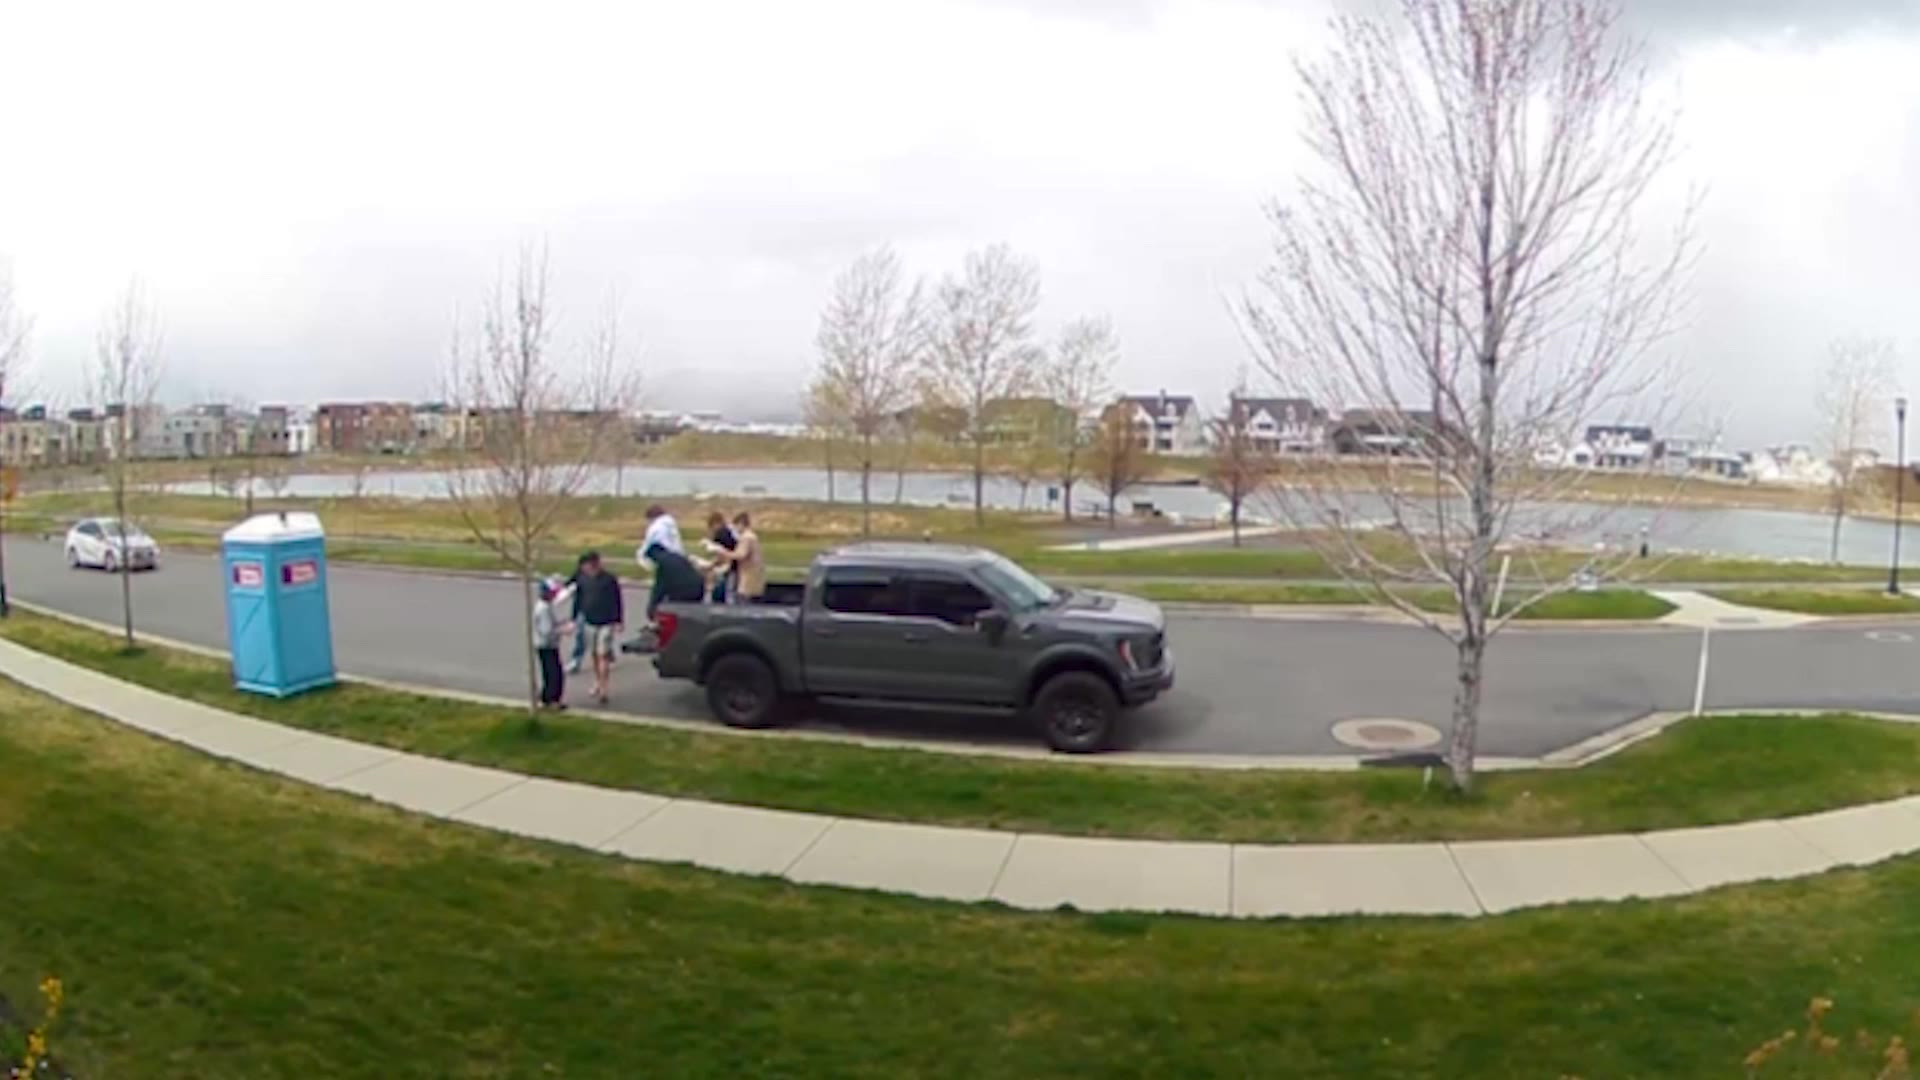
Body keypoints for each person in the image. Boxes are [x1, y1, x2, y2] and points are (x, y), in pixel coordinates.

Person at [573, 551, 625, 705]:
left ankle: (604, 688)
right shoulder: (582, 579)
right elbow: (578, 599)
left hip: (606, 623)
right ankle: (598, 681)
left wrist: (618, 620)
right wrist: (574, 618)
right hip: (589, 621)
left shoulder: (609, 580)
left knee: (603, 654)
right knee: (594, 655)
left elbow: (617, 600)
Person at [532, 576, 573, 710]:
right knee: (554, 674)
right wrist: (563, 630)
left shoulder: (545, 606)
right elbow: (547, 631)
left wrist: (561, 622)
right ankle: (551, 699)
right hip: (546, 645)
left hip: (545, 644)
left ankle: (547, 697)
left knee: (550, 672)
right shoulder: (543, 609)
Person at [644, 540, 708, 622]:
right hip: (698, 588)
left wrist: (651, 609)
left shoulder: (662, 564)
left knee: (669, 610)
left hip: (683, 593)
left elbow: (659, 589)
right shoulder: (677, 556)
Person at [702, 510, 739, 603]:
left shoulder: (720, 534)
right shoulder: (730, 531)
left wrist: (710, 564)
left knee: (728, 592)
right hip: (735, 566)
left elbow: (721, 553)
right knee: (731, 591)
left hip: (729, 566)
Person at [564, 552, 592, 674]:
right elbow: (568, 585)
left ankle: (607, 653)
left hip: (596, 611)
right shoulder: (579, 575)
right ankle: (576, 660)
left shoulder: (600, 578)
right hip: (581, 610)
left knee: (597, 635)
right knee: (581, 636)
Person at [730, 511, 765, 602]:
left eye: (736, 526)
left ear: (741, 524)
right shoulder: (753, 537)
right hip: (754, 577)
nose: (735, 529)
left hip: (747, 580)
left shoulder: (746, 538)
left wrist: (722, 552)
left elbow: (740, 555)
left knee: (743, 602)